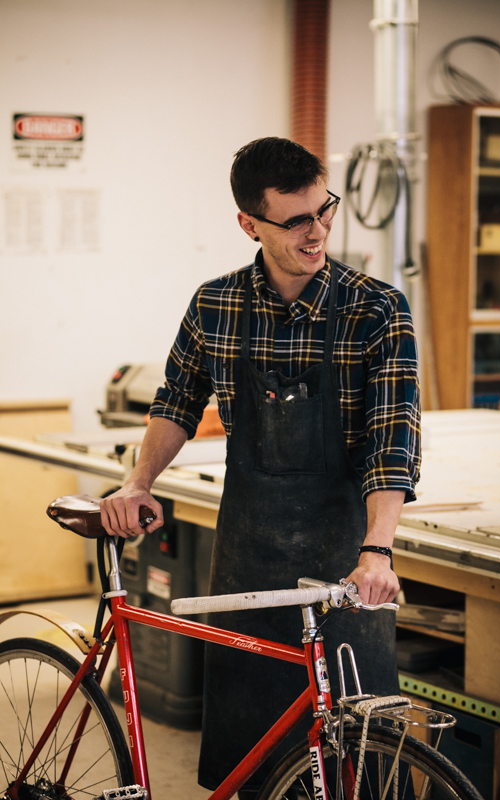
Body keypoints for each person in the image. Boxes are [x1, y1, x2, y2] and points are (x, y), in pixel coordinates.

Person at [100, 136, 421, 796]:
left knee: (355, 761)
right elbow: (176, 402)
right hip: (246, 565)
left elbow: (391, 444)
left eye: (324, 209)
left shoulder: (376, 310)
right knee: (251, 762)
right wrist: (138, 482)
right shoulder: (215, 304)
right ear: (249, 222)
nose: (317, 230)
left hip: (345, 566)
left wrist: (377, 553)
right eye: (296, 219)